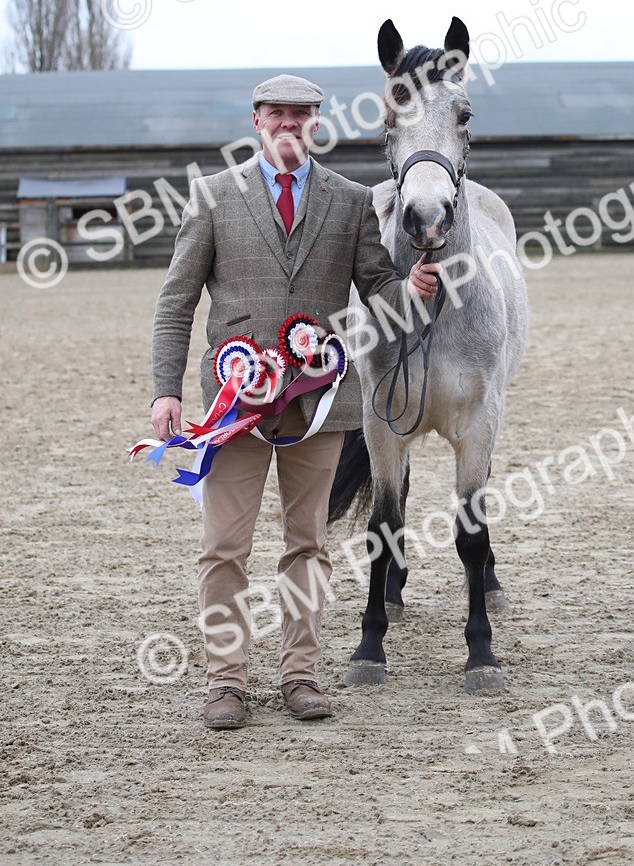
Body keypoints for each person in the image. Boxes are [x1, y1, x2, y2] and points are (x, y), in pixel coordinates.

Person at [150, 73, 439, 729]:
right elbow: (175, 303)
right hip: (235, 406)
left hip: (321, 406)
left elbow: (378, 287)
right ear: (256, 121)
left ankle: (299, 674)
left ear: (317, 123)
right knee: (225, 546)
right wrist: (166, 390)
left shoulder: (352, 201)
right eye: (277, 113)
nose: (289, 124)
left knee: (308, 544)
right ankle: (226, 682)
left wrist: (412, 289)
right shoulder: (213, 197)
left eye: (302, 115)